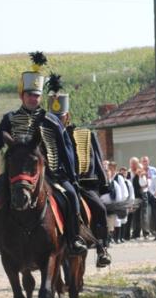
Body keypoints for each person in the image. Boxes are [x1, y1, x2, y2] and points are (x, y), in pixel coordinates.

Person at [0, 52, 89, 260]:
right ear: (22, 96)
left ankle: (73, 238)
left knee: (71, 196)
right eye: (29, 95)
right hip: (16, 174)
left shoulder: (51, 120)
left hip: (49, 172)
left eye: (36, 95)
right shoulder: (10, 118)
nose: (33, 99)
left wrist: (70, 176)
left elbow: (65, 149)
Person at [47, 75, 112, 268]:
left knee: (99, 209)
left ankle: (102, 249)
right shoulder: (46, 135)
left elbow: (97, 162)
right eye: (54, 117)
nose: (58, 120)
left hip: (83, 184)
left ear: (68, 116)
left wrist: (103, 187)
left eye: (61, 117)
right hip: (56, 182)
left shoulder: (84, 135)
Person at [142, 156, 156, 239]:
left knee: (154, 212)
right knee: (146, 213)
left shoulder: (154, 170)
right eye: (143, 161)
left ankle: (154, 230)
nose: (145, 162)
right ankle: (146, 232)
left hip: (153, 193)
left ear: (149, 161)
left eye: (146, 161)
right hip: (144, 192)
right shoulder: (140, 170)